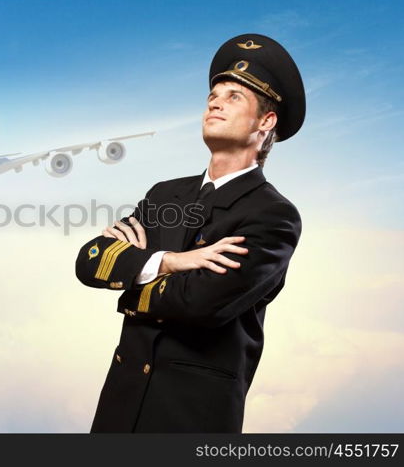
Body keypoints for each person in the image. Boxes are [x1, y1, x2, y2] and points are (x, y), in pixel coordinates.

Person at [75, 33, 305, 432]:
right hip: (118, 410)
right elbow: (89, 260)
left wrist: (133, 272)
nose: (215, 102)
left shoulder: (274, 216)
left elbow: (202, 304)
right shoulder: (166, 194)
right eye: (214, 95)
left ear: (265, 122)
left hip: (190, 419)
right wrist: (171, 262)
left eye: (235, 97)